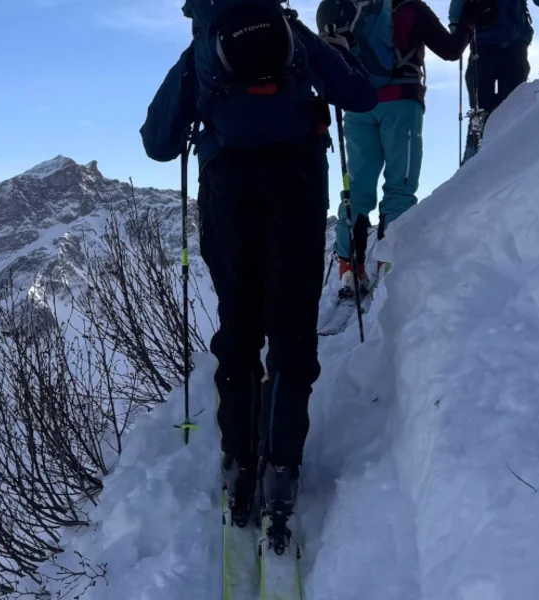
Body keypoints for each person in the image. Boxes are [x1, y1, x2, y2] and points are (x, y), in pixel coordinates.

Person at [140, 0, 378, 545]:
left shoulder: (199, 53)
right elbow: (360, 95)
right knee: (292, 329)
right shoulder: (292, 36)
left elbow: (157, 144)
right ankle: (282, 470)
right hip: (296, 187)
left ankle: (238, 463)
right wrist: (339, 56)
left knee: (239, 329)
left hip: (228, 196)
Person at [317, 0, 479, 294]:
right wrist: (467, 23)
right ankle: (390, 265)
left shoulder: (343, 8)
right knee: (399, 187)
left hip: (358, 103)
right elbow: (451, 50)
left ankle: (349, 269)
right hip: (401, 103)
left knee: (356, 188)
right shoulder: (410, 8)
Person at [452, 0, 539, 161]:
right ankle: (507, 158)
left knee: (482, 112)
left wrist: (460, 36)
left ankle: (475, 162)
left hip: (484, 46)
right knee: (511, 106)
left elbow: (455, 14)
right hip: (513, 46)